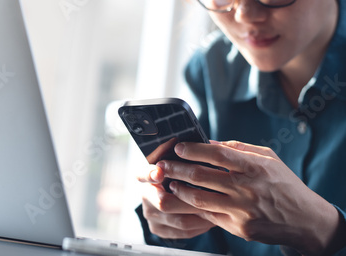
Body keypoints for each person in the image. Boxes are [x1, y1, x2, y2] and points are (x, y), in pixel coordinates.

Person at [135, 0, 346, 255]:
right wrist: (172, 227)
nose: (245, 15)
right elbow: (210, 244)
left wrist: (323, 228)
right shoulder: (211, 68)